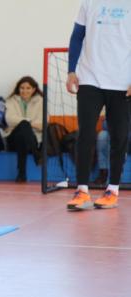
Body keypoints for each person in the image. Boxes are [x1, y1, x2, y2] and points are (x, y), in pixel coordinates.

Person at [65, 0, 131, 210]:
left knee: (119, 137)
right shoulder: (88, 3)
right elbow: (77, 36)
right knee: (85, 134)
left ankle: (112, 190)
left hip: (122, 82)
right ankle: (81, 190)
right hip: (89, 78)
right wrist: (71, 71)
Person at [4, 76, 43, 182]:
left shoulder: (41, 101)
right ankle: (37, 155)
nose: (25, 91)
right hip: (13, 138)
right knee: (23, 127)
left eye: (28, 88)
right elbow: (9, 119)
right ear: (18, 88)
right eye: (22, 88)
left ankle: (22, 174)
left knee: (23, 134)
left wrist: (24, 123)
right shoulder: (11, 101)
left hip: (33, 139)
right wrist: (27, 122)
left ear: (34, 89)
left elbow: (43, 124)